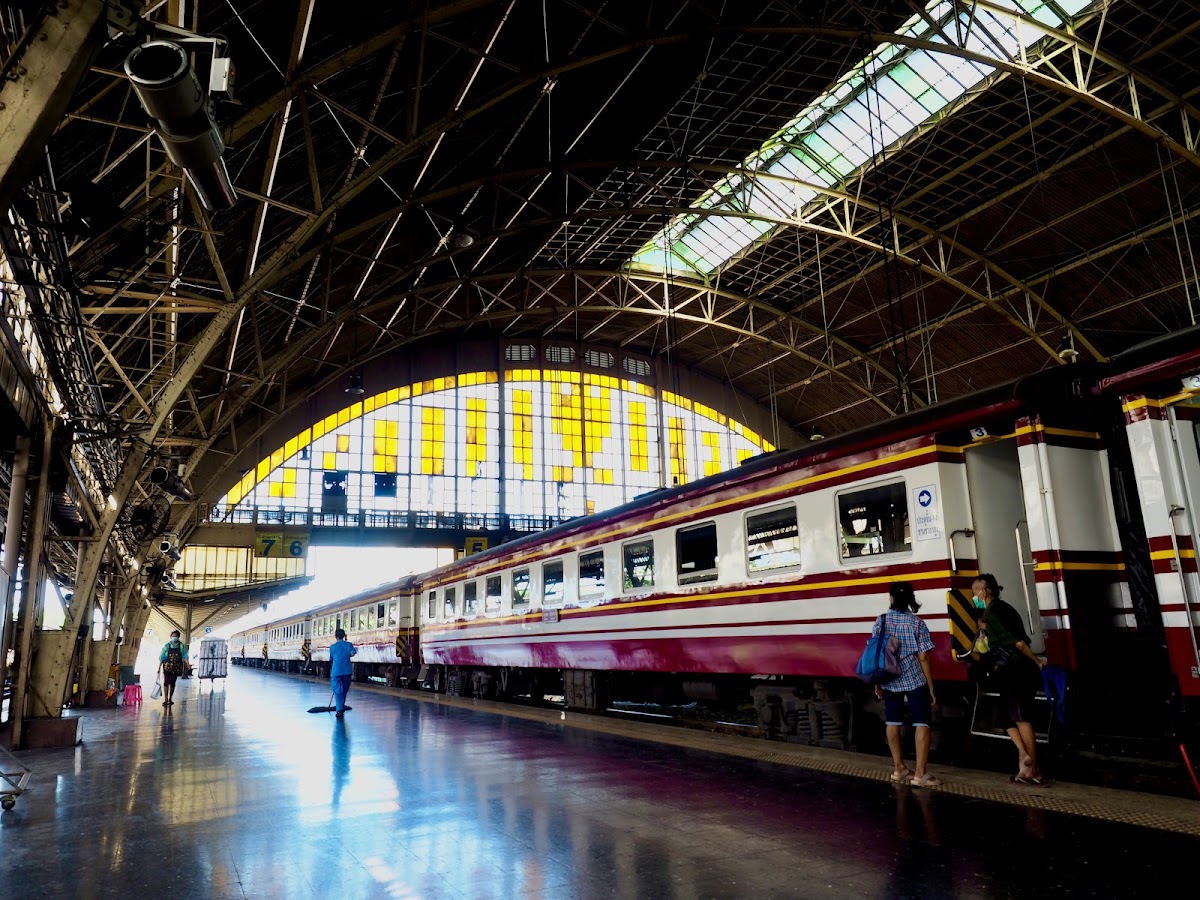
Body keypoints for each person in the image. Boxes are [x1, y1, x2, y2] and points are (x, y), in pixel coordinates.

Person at [972, 573, 1049, 786]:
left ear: (984, 592)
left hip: (1015, 669)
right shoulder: (1000, 609)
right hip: (1009, 669)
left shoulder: (994, 612)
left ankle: (1033, 770)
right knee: (1006, 717)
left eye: (975, 591)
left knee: (1020, 717)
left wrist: (1037, 660)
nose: (973, 596)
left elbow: (1018, 643)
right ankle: (1024, 759)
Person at [873, 581, 940, 786]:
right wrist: (931, 686)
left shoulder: (881, 621)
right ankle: (920, 774)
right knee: (922, 723)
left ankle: (899, 768)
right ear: (910, 599)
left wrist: (878, 681)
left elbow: (877, 653)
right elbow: (924, 658)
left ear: (891, 598)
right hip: (915, 680)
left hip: (889, 679)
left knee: (892, 722)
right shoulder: (917, 623)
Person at [329, 628, 357, 719]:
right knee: (344, 690)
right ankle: (341, 707)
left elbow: (331, 659)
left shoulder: (333, 647)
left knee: (337, 691)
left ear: (335, 636)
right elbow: (353, 653)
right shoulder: (349, 645)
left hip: (336, 671)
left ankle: (339, 709)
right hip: (346, 671)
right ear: (344, 636)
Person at [157, 630, 188, 707]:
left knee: (173, 683)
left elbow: (185, 656)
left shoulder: (181, 646)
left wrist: (188, 664)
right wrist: (159, 667)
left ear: (178, 637)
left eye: (176, 636)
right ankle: (165, 699)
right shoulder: (167, 646)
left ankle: (170, 698)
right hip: (167, 667)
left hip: (177, 667)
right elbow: (162, 657)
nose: (174, 637)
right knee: (166, 682)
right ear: (171, 637)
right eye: (173, 636)